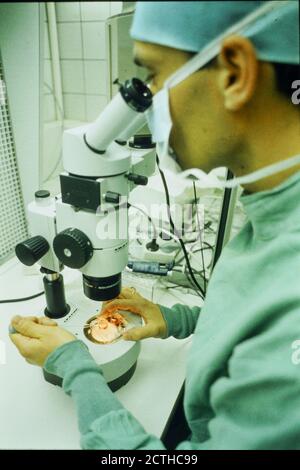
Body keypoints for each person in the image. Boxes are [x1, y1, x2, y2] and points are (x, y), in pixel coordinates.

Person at [10, 1, 300, 450]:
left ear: (235, 73)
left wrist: (75, 367)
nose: (147, 103)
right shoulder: (274, 214)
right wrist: (179, 318)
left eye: (153, 75)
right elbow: (257, 327)